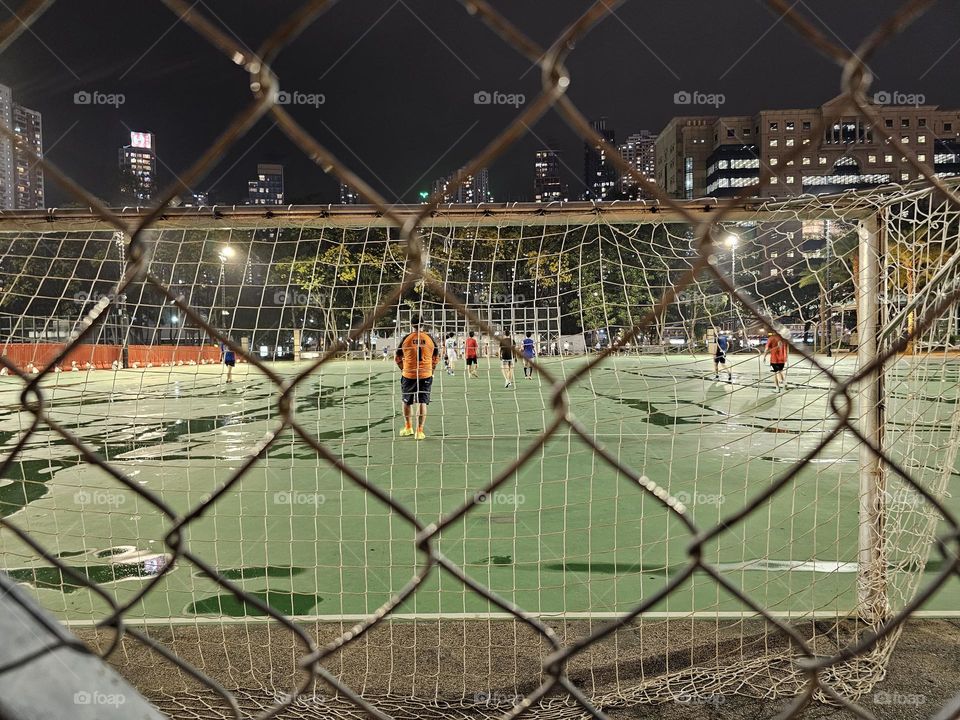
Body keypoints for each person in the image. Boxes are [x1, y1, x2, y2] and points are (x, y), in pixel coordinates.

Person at [395, 315, 440, 439]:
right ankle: (419, 431)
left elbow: (397, 358)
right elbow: (436, 358)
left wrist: (403, 369)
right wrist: (432, 371)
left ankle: (408, 427)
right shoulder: (430, 339)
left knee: (406, 402)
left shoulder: (406, 338)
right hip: (426, 374)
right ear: (423, 324)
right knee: (422, 402)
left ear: (411, 324)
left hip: (409, 374)